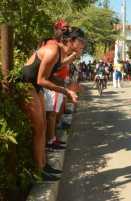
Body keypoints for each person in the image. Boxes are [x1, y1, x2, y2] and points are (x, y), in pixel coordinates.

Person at [19, 26, 86, 180]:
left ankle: (43, 165)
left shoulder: (60, 52)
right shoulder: (53, 50)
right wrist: (66, 91)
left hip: (35, 87)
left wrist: (66, 85)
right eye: (81, 41)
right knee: (39, 128)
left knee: (42, 128)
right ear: (71, 41)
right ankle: (38, 170)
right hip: (25, 85)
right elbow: (41, 79)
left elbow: (52, 74)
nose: (83, 45)